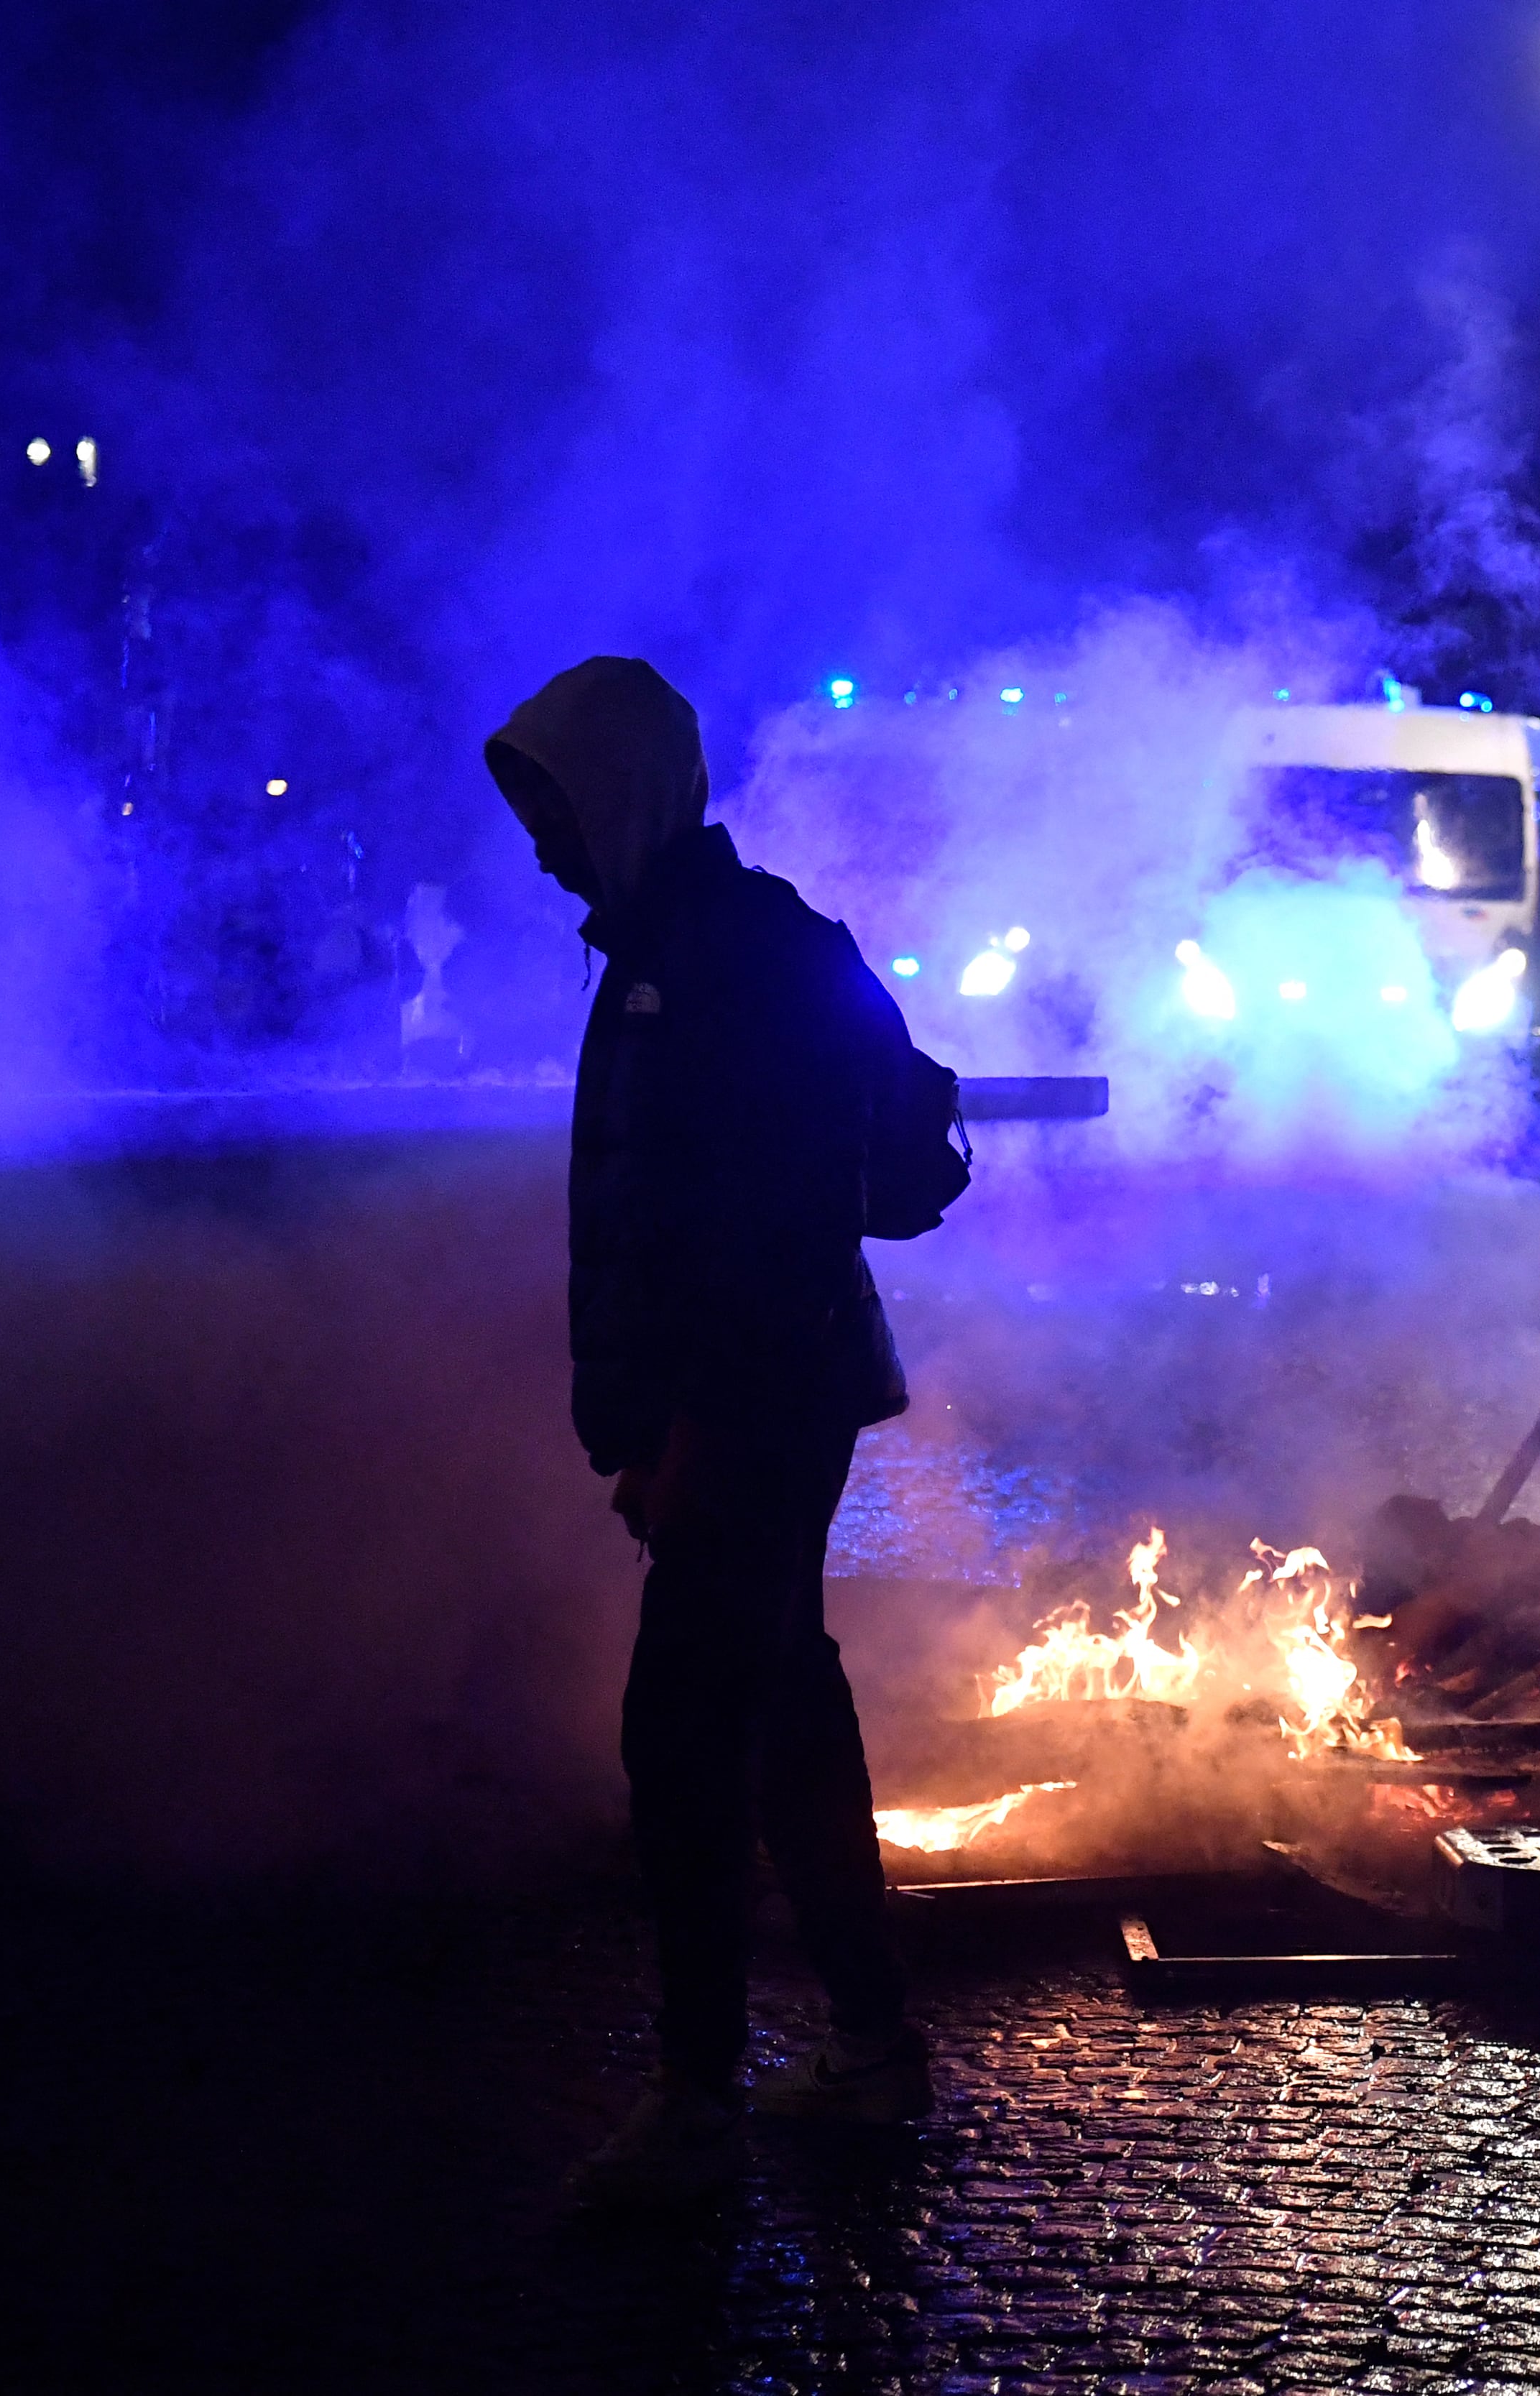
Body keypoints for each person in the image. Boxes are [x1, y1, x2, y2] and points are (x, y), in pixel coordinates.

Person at [483, 657, 935, 2209]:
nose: (538, 844)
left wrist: (680, 1432)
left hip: (748, 1409)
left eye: (552, 808)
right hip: (765, 1398)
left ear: (620, 796)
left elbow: (752, 1228)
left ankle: (697, 2097)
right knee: (783, 1707)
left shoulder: (713, 957)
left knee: (678, 1741)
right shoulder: (711, 943)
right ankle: (870, 2041)